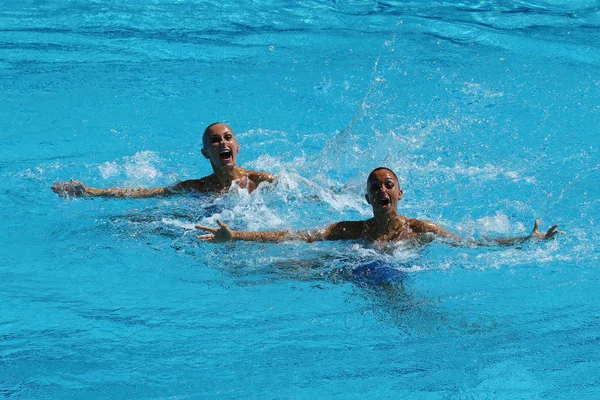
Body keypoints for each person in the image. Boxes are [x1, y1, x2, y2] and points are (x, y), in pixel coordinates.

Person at [196, 167, 564, 245]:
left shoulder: (420, 229)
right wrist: (237, 235)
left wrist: (526, 239)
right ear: (368, 198)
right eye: (375, 187)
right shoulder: (350, 229)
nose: (382, 189)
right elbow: (292, 235)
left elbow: (472, 244)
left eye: (389, 185)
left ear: (400, 194)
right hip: (359, 272)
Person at [51, 122, 275, 198]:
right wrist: (90, 191)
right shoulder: (198, 187)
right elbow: (149, 193)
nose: (223, 144)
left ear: (237, 146)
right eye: (215, 141)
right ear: (205, 153)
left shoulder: (259, 180)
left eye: (228, 138)